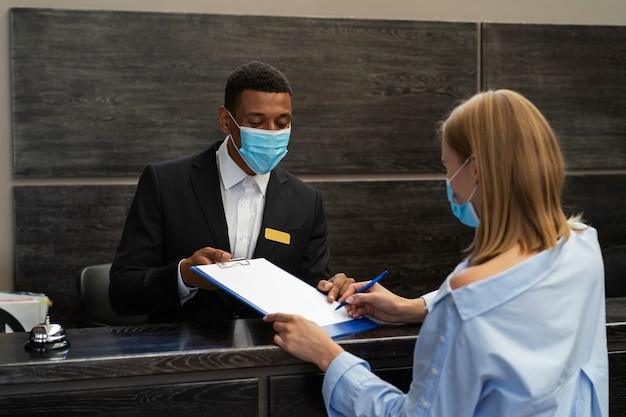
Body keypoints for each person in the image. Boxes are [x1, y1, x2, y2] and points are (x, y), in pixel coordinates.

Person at [264, 89, 608, 416]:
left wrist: (329, 356)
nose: (449, 184)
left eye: (448, 169)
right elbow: (517, 301)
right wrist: (412, 308)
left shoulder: (464, 303)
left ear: (474, 169)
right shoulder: (583, 247)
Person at [109, 61, 352, 323]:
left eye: (282, 123)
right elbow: (123, 292)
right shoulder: (166, 183)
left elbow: (309, 293)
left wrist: (332, 291)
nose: (271, 134)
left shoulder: (306, 201)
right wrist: (184, 276)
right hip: (183, 355)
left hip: (272, 354)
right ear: (226, 120)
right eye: (257, 123)